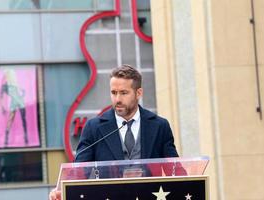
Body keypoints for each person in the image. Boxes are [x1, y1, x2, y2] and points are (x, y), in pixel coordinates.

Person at [49, 64, 179, 200]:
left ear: (138, 93)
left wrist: (194, 183)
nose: (117, 99)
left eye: (123, 93)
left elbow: (176, 170)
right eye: (113, 93)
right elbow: (80, 170)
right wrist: (63, 189)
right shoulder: (93, 128)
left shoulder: (159, 126)